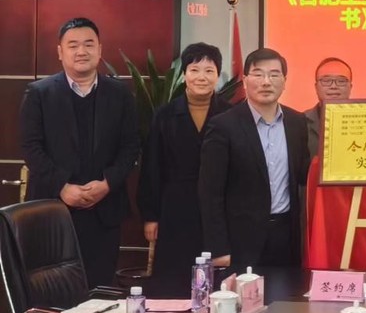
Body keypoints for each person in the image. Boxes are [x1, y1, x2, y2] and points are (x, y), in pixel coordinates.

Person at [19, 17, 139, 288]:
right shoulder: (39, 93)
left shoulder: (120, 94)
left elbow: (131, 146)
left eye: (88, 44)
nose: (81, 51)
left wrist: (107, 184)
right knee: (54, 289)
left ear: (100, 49)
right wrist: (62, 187)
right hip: (53, 209)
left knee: (99, 288)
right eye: (73, 45)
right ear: (60, 52)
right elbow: (30, 147)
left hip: (104, 210)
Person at [198, 48, 310, 267]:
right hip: (240, 240)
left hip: (285, 235)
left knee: (286, 289)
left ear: (284, 81)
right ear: (245, 79)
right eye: (258, 74)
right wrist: (218, 248)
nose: (266, 82)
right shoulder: (223, 125)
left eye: (274, 75)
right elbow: (210, 193)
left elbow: (303, 173)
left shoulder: (297, 122)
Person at [137, 43, 231, 278]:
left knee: (216, 281)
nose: (201, 77)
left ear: (217, 75)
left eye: (209, 71)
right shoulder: (164, 115)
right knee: (174, 277)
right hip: (175, 208)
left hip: (219, 212)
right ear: (184, 74)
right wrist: (151, 216)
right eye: (194, 70)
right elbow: (152, 167)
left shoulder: (231, 115)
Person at [305, 57, 353, 157]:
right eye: (326, 81)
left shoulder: (364, 122)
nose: (333, 86)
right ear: (316, 87)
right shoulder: (300, 123)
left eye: (341, 81)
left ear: (350, 87)